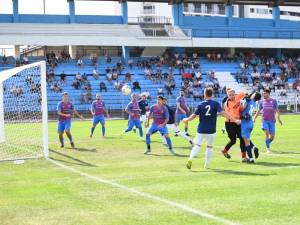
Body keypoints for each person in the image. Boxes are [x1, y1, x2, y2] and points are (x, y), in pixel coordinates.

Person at [184, 88, 240, 169]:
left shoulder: (201, 104)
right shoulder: (216, 104)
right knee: (209, 147)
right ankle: (206, 165)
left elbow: (193, 115)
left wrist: (187, 120)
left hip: (201, 129)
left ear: (205, 94)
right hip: (211, 130)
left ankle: (190, 159)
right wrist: (234, 120)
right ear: (212, 94)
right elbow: (224, 113)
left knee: (197, 146)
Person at [221, 89, 248, 162]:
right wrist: (236, 120)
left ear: (235, 94)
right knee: (233, 140)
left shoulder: (237, 99)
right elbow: (231, 115)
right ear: (227, 95)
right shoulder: (227, 103)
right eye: (230, 95)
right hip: (230, 123)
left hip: (237, 123)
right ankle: (224, 151)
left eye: (233, 94)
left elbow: (245, 94)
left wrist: (245, 99)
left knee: (242, 139)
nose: (231, 96)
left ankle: (244, 157)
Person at [254, 89, 282, 154]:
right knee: (266, 133)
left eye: (264, 93)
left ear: (268, 94)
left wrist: (279, 119)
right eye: (263, 93)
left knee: (272, 137)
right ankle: (268, 149)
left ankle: (267, 142)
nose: (263, 94)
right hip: (264, 120)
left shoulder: (274, 101)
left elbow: (277, 110)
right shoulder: (261, 102)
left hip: (272, 121)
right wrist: (254, 118)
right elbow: (258, 111)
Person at [240, 92, 262, 163]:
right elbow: (251, 113)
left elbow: (242, 109)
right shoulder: (255, 104)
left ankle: (251, 158)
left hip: (245, 123)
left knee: (246, 142)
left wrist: (243, 101)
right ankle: (254, 147)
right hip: (250, 123)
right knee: (246, 139)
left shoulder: (248, 100)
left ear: (254, 95)